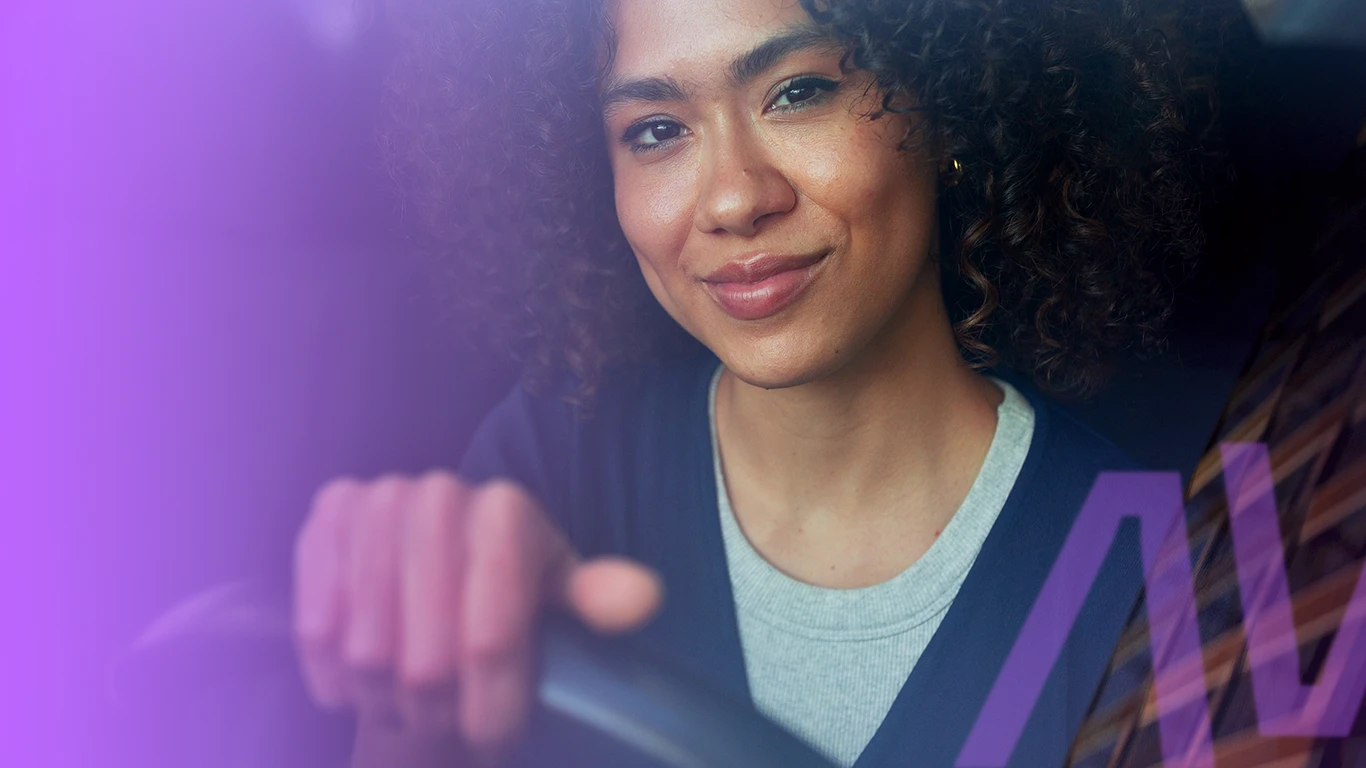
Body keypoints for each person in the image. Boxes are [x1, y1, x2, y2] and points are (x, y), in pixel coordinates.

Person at [292, 0, 1212, 765]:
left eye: (798, 91)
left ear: (951, 108)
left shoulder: (1165, 572)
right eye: (655, 130)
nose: (733, 199)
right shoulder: (552, 456)